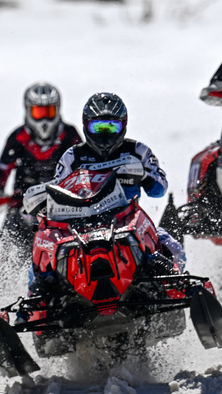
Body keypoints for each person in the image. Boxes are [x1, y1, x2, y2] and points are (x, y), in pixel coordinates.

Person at [45, 92, 185, 270]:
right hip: (80, 227)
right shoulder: (72, 156)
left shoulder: (138, 150)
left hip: (128, 222)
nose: (105, 135)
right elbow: (55, 193)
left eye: (111, 127)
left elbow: (159, 190)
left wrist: (144, 175)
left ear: (123, 125)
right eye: (98, 127)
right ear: (86, 125)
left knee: (174, 248)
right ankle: (36, 293)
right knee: (45, 250)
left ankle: (175, 289)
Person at [0, 82, 82, 300]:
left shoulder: (70, 135)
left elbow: (83, 163)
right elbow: (4, 166)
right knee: (0, 248)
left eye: (49, 111)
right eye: (38, 112)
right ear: (27, 110)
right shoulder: (17, 137)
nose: (44, 118)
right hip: (22, 204)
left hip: (63, 203)